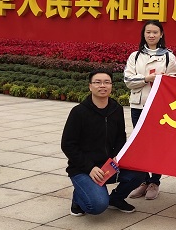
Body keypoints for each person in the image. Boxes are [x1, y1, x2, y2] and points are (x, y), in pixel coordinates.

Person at [61, 69, 145, 216]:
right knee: (97, 206)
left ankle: (116, 199)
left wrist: (116, 156)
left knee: (140, 173)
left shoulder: (116, 109)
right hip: (84, 168)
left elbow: (120, 136)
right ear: (90, 86)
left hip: (108, 165)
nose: (102, 86)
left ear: (111, 86)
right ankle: (78, 198)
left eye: (107, 82)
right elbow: (68, 144)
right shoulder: (79, 112)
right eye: (97, 82)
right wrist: (89, 168)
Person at [124, 20, 176, 200]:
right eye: (148, 32)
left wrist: (163, 79)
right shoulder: (135, 56)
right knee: (141, 144)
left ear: (161, 34)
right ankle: (143, 181)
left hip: (158, 107)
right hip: (138, 106)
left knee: (157, 145)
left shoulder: (169, 57)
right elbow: (128, 80)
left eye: (155, 32)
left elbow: (174, 82)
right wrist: (147, 78)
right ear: (144, 34)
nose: (151, 35)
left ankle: (155, 181)